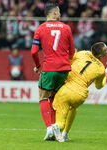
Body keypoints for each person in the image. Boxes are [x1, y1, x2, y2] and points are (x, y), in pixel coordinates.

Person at [31, 3, 75, 141]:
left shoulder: (40, 29)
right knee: (55, 99)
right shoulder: (66, 28)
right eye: (59, 12)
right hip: (64, 69)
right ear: (54, 13)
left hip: (49, 68)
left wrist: (38, 65)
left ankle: (49, 128)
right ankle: (56, 128)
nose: (60, 14)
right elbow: (72, 52)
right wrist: (63, 60)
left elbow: (33, 51)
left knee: (43, 97)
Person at [52, 42, 107, 142]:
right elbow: (99, 86)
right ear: (100, 55)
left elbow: (69, 61)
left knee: (60, 121)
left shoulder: (83, 53)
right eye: (106, 49)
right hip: (79, 95)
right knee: (73, 109)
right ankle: (65, 134)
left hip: (65, 90)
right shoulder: (101, 69)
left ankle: (57, 127)